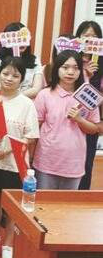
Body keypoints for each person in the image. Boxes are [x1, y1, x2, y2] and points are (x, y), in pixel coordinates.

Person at [0, 57, 39, 258]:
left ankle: (9, 244)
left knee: (12, 205)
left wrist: (8, 150)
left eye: (15, 75)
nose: (9, 78)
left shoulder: (26, 104)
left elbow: (31, 137)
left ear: (22, 79)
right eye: (5, 73)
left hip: (14, 163)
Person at [33, 50, 100, 189]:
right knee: (43, 201)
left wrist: (80, 120)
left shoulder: (87, 95)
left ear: (81, 71)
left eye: (75, 68)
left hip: (74, 164)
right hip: (46, 161)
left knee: (67, 201)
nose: (70, 72)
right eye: (65, 67)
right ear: (57, 69)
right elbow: (35, 127)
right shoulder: (45, 95)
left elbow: (95, 129)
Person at [75, 21, 103, 190]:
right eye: (86, 35)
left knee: (86, 162)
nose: (90, 39)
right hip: (70, 117)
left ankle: (81, 195)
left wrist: (93, 78)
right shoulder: (71, 59)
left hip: (91, 120)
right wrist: (84, 74)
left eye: (94, 36)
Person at [0, 22, 43, 98]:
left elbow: (36, 89)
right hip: (6, 101)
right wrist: (13, 98)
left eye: (24, 38)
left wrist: (17, 98)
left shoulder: (35, 60)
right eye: (18, 39)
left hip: (29, 102)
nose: (21, 43)